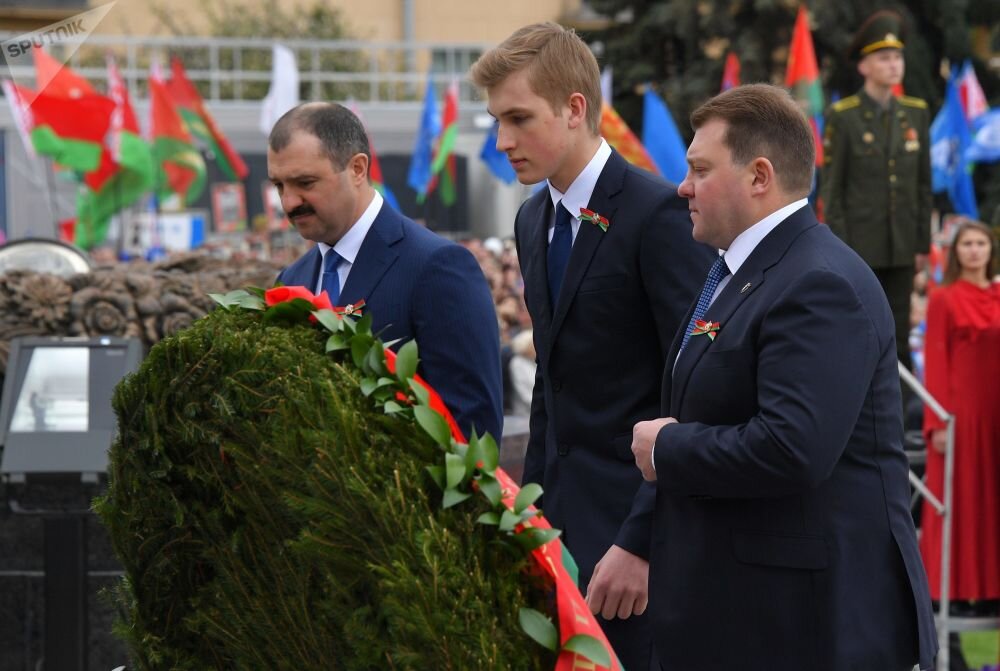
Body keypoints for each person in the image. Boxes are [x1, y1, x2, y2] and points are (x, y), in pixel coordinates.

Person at [630, 83, 936, 670]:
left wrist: (668, 446)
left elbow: (794, 447)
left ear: (760, 176)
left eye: (699, 169)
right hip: (747, 615)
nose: (682, 186)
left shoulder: (818, 282)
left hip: (806, 628)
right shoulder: (743, 270)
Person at [470, 22, 713, 668]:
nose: (503, 141)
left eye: (519, 118)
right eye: (496, 120)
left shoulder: (656, 213)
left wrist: (643, 539)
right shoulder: (531, 218)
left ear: (576, 109)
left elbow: (692, 390)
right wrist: (532, 520)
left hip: (642, 547)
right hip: (561, 536)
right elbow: (553, 382)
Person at [268, 103, 503, 442]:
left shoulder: (437, 266)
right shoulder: (291, 281)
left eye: (305, 182)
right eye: (279, 186)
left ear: (358, 169)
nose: (289, 203)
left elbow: (474, 430)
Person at [820, 9, 932, 369]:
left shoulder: (915, 113)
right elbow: (832, 192)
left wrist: (921, 246)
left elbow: (922, 185)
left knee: (898, 335)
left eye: (897, 57)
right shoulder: (844, 116)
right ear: (864, 66)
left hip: (901, 247)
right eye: (883, 58)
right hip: (859, 246)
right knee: (860, 329)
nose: (893, 64)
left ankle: (898, 416)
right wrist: (840, 248)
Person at [920, 219, 1000, 615]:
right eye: (966, 243)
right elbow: (935, 361)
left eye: (980, 243)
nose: (973, 250)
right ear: (956, 252)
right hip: (961, 416)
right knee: (960, 501)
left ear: (990, 250)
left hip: (996, 416)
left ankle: (991, 592)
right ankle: (949, 590)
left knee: (993, 504)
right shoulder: (944, 299)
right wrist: (937, 422)